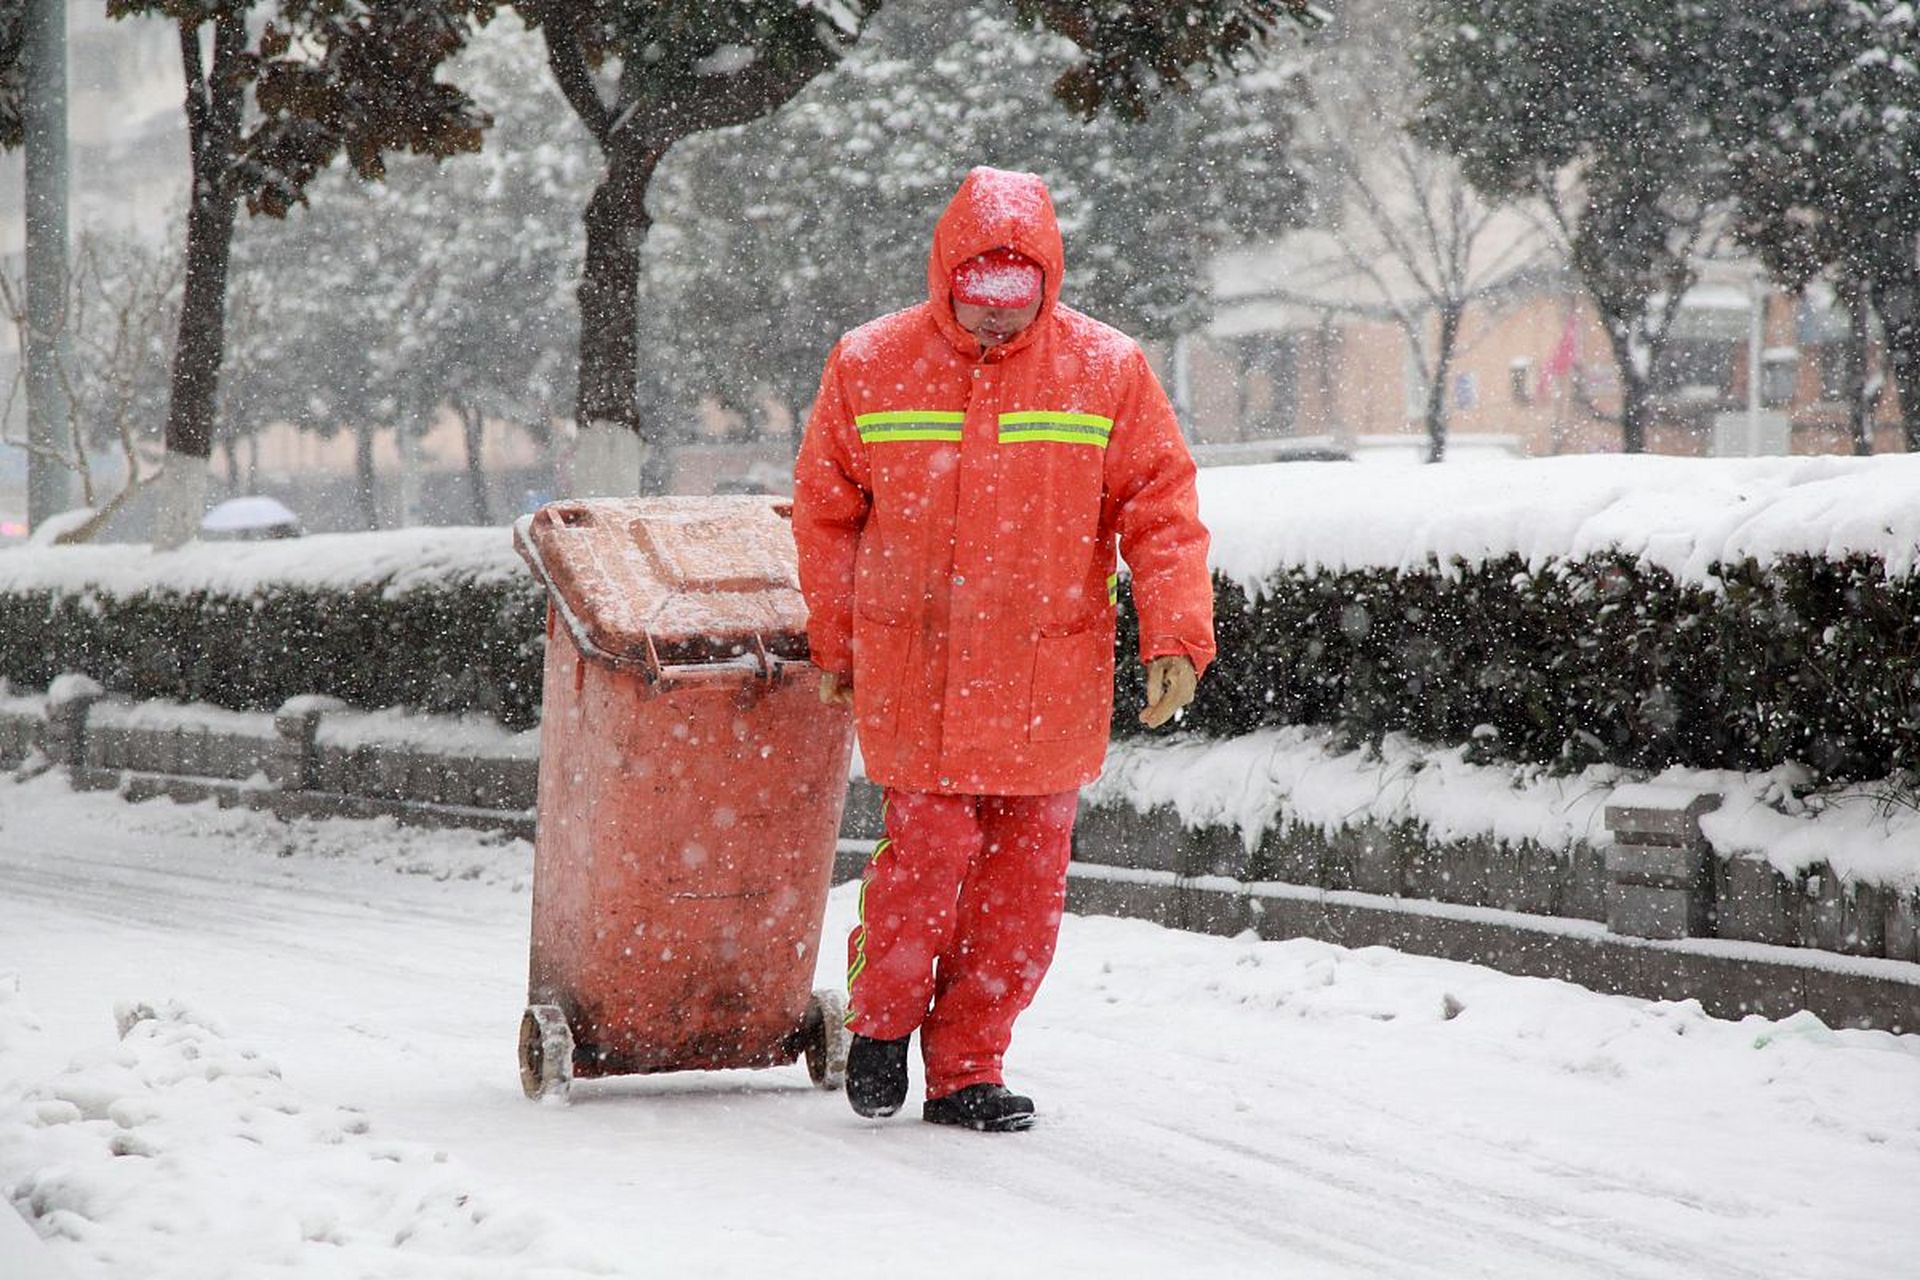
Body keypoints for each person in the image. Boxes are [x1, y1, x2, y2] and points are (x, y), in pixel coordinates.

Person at [791, 166, 1215, 1133]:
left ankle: (969, 1068)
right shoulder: (870, 362)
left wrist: (1177, 633)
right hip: (919, 673)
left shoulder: (1107, 369)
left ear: (1046, 285)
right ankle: (883, 1024)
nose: (993, 324)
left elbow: (1161, 510)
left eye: (1013, 305)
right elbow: (827, 516)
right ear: (946, 278)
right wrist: (836, 647)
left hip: (1044, 679)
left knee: (1022, 900)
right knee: (923, 866)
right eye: (977, 302)